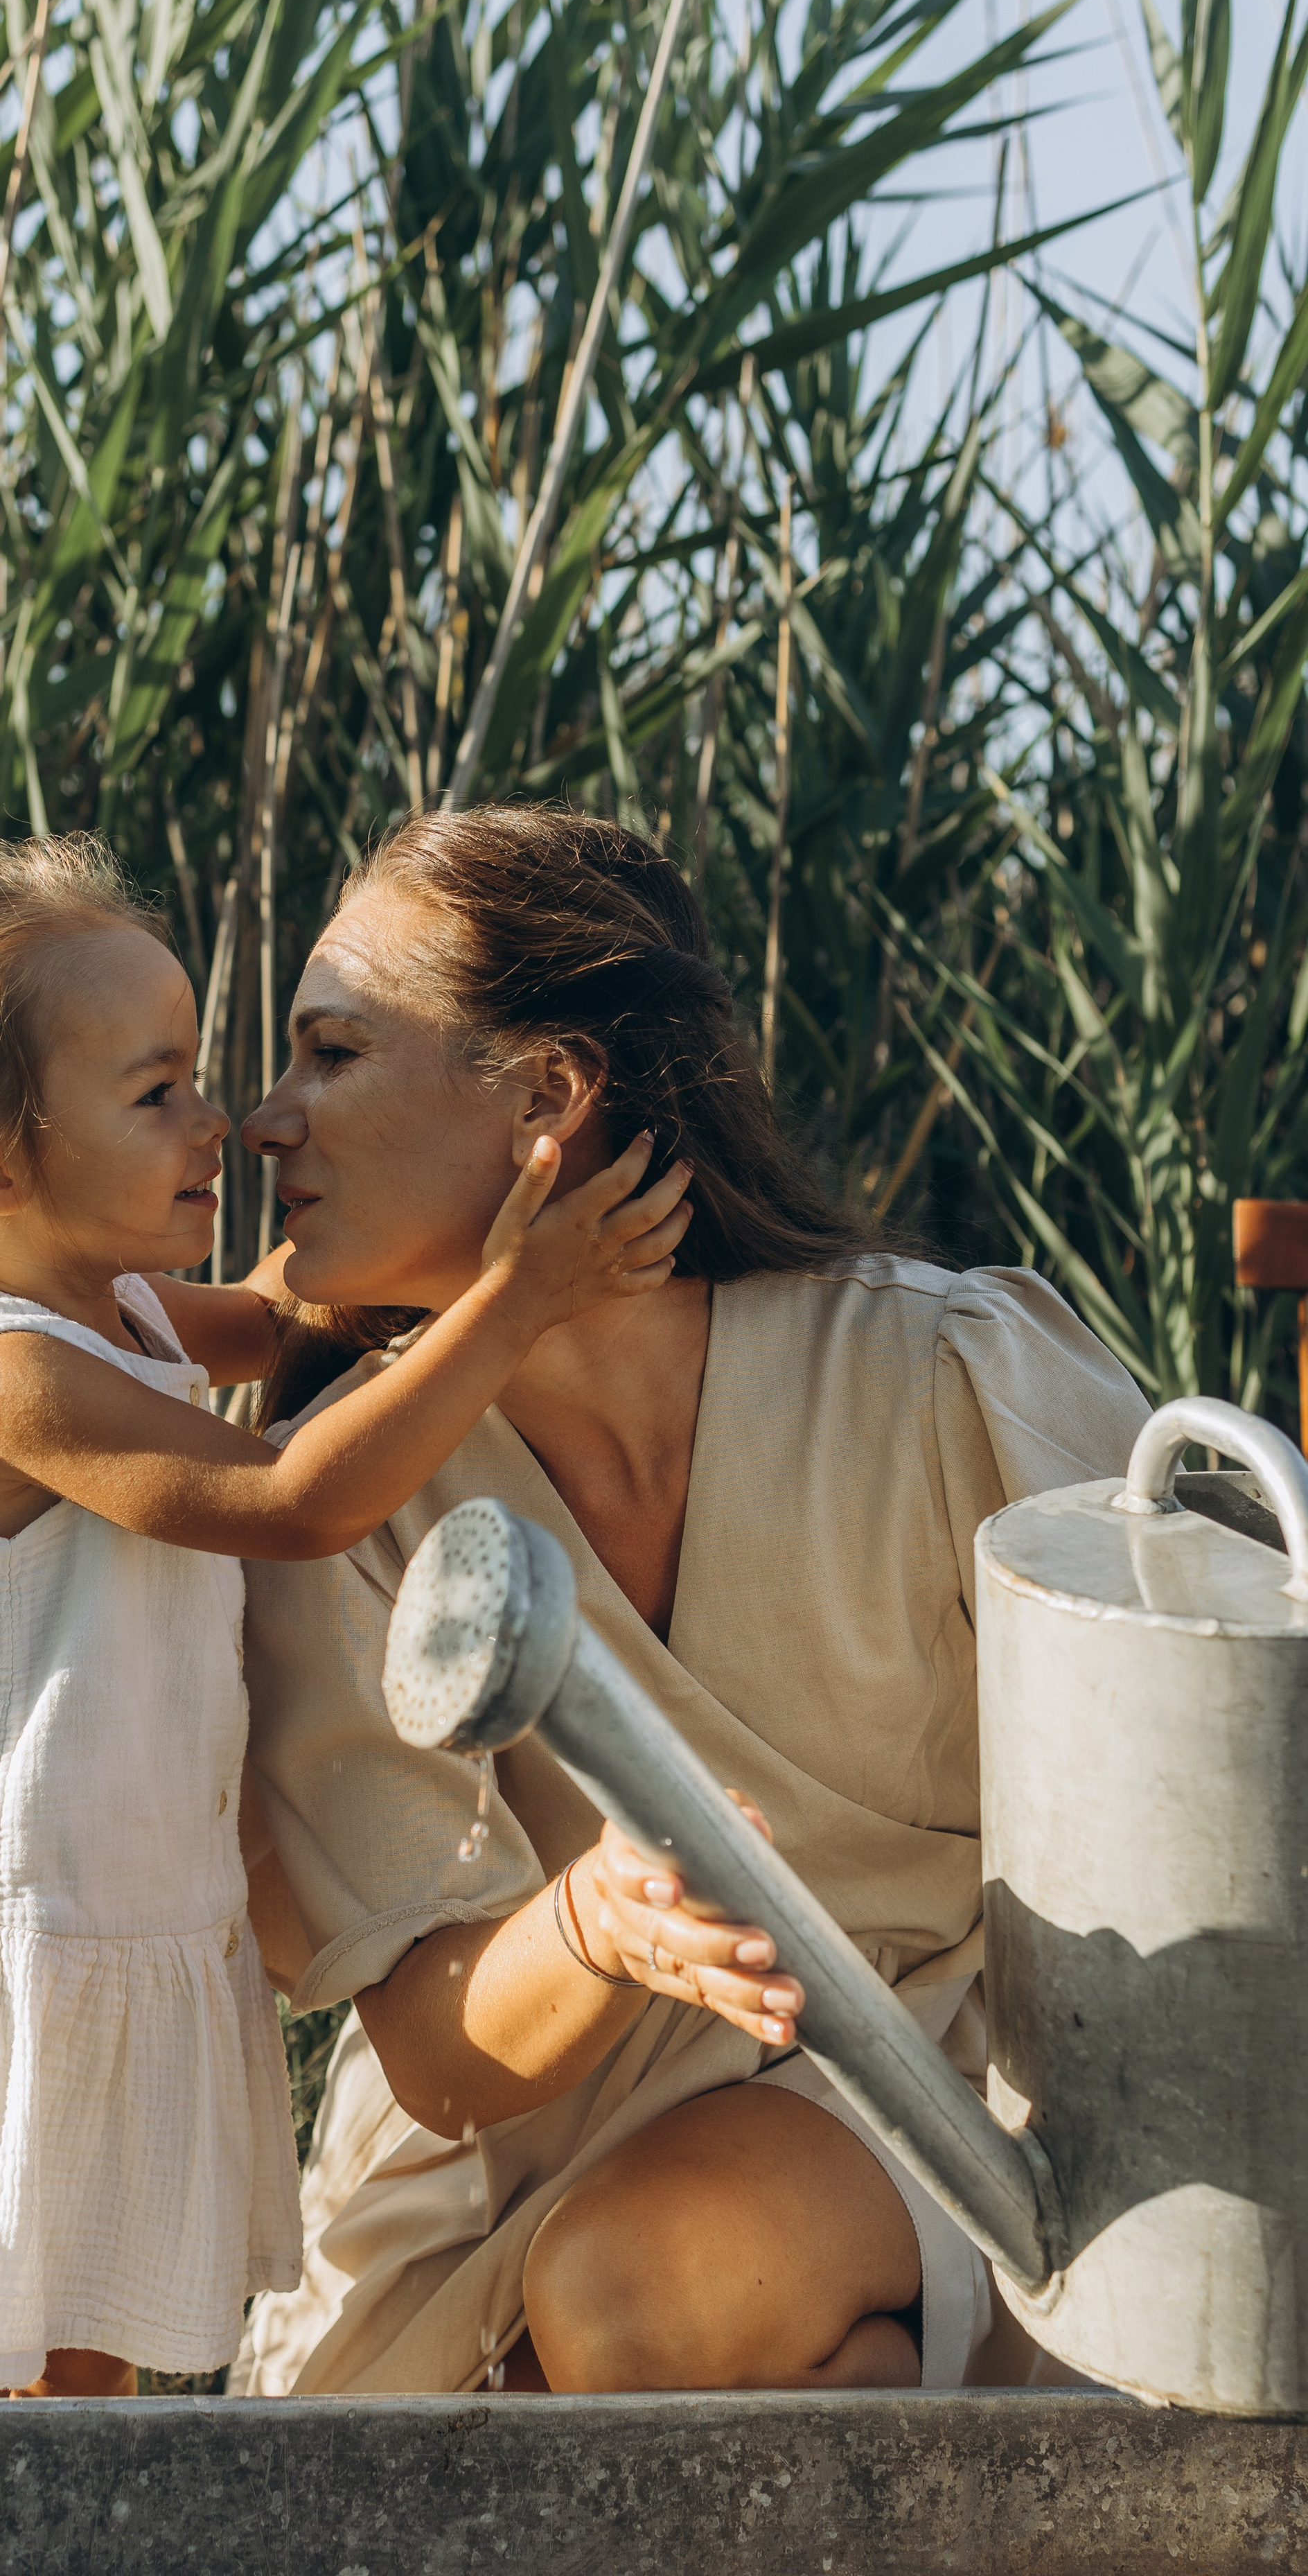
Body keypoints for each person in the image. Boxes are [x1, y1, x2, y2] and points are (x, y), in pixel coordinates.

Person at [0, 835, 691, 2401]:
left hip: (113, 1930)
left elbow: (279, 1317)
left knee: (76, 2389)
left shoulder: (107, 1304)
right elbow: (286, 1499)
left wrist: (462, 1218)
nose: (223, 1122)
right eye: (156, 1094)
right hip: (21, 1958)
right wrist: (514, 1301)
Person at [229, 803, 1151, 2400]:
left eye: (330, 1053)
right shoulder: (341, 1502)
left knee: (627, 2300)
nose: (263, 1121)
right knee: (584, 2383)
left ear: (545, 1095)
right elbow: (444, 2064)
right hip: (504, 2176)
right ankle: (885, 2388)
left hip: (939, 2098)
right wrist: (597, 1920)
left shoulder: (951, 1378)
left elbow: (1217, 1781)